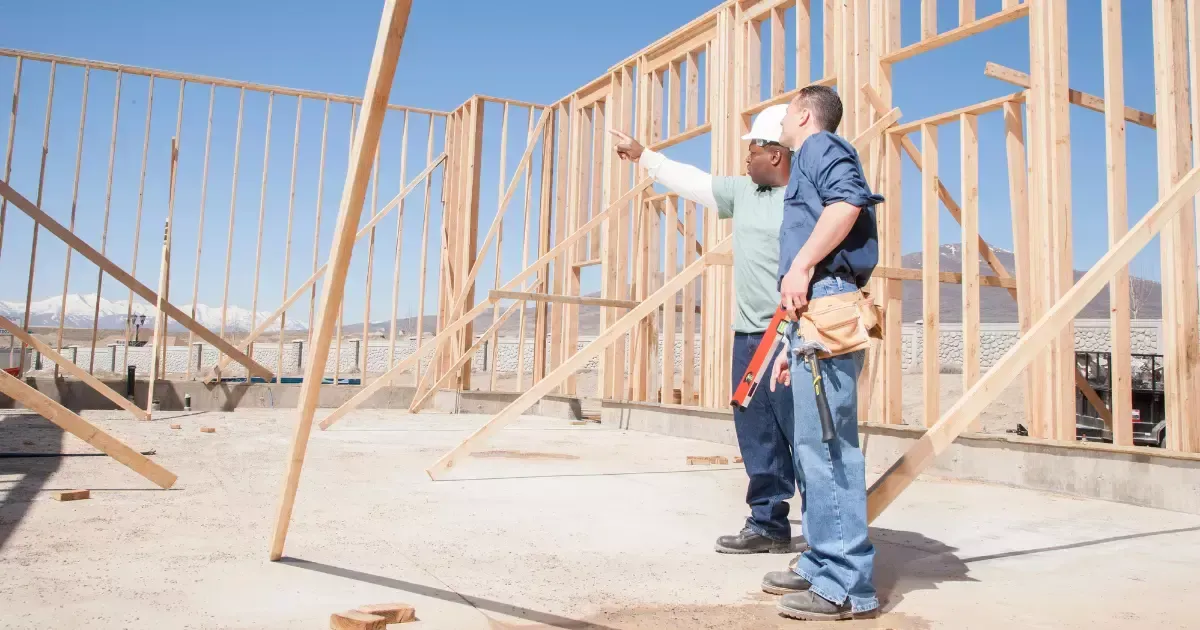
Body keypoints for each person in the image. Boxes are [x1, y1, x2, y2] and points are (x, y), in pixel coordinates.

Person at [610, 105, 803, 555]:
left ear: (775, 154)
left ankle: (824, 539)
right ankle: (768, 524)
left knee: (805, 433)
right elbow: (694, 182)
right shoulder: (744, 193)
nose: (746, 158)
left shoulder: (806, 198)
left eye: (752, 149)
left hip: (793, 335)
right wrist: (645, 156)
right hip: (750, 336)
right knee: (758, 433)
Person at [760, 85, 884, 621]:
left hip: (826, 300)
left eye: (787, 113)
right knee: (813, 448)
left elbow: (848, 202)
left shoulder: (819, 146)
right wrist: (793, 338)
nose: (782, 123)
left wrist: (803, 265)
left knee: (829, 450)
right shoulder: (810, 156)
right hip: (813, 314)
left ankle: (845, 585)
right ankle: (819, 562)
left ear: (805, 115)